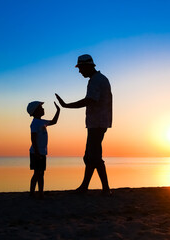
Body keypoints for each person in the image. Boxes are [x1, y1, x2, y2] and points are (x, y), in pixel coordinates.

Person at [55, 54, 112, 195]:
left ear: (87, 66)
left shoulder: (96, 80)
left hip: (97, 123)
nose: (80, 71)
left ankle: (103, 189)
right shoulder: (98, 79)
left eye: (80, 68)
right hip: (97, 122)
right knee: (91, 157)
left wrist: (67, 105)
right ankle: (87, 187)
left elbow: (90, 100)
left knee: (93, 157)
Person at [27, 101, 60, 199]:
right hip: (36, 152)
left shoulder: (42, 122)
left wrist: (58, 111)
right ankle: (32, 193)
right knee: (37, 173)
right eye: (41, 108)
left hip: (41, 152)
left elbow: (54, 122)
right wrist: (37, 152)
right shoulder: (35, 123)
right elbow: (33, 138)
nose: (43, 109)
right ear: (35, 111)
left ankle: (41, 193)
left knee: (41, 173)